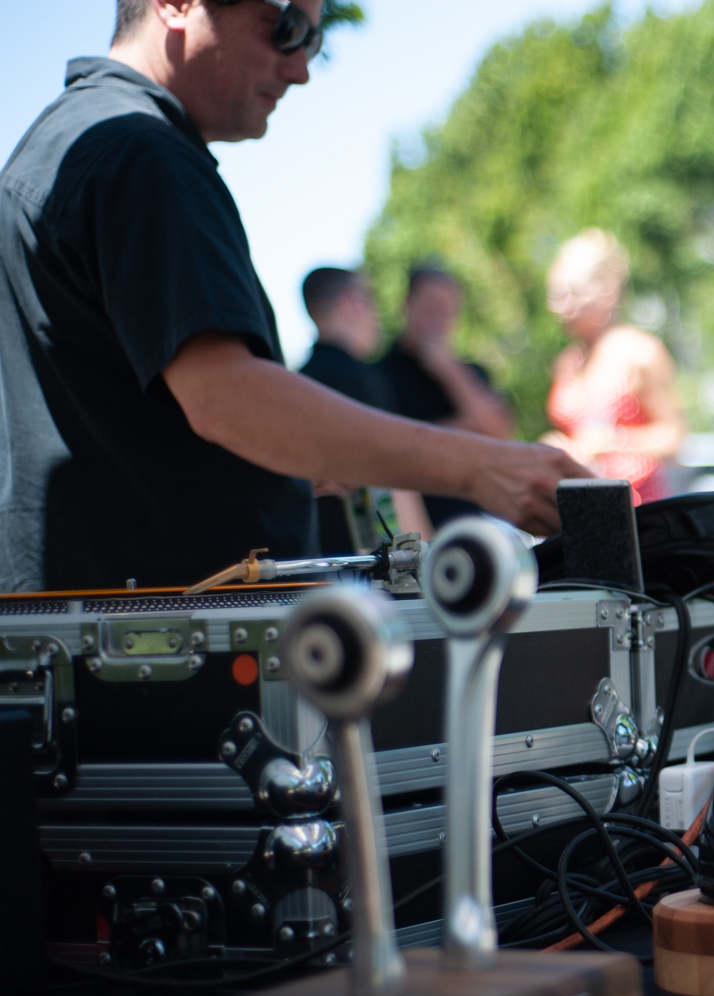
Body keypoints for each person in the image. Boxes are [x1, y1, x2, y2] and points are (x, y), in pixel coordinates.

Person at [0, 0, 586, 593]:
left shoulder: (61, 142)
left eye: (312, 38)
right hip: (165, 656)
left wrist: (280, 472)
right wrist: (486, 465)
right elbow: (227, 396)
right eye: (285, 27)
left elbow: (107, 429)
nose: (301, 66)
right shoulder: (140, 152)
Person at [540, 229, 686, 502]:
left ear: (607, 290)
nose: (559, 307)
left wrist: (613, 442)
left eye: (569, 293)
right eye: (555, 295)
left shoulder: (640, 352)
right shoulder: (568, 362)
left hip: (639, 510)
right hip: (586, 505)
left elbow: (674, 436)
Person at [297, 267, 433, 546]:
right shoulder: (359, 378)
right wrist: (425, 558)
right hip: (369, 564)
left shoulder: (297, 384)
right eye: (372, 301)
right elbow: (395, 475)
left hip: (316, 558)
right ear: (350, 302)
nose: (378, 317)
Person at [378, 266, 519, 529]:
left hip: (472, 521)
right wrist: (465, 430)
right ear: (407, 305)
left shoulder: (470, 373)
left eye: (448, 311)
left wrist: (450, 371)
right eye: (431, 308)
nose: (439, 320)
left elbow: (498, 430)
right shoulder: (378, 374)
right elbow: (394, 446)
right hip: (414, 530)